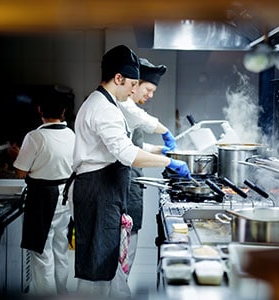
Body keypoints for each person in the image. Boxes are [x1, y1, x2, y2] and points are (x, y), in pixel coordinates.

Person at [70, 44, 190, 299]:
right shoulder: (104, 108)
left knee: (102, 265)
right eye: (133, 84)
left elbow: (122, 148)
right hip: (97, 192)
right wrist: (170, 164)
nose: (135, 90)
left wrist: (160, 154)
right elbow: (128, 154)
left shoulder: (103, 103)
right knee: (98, 267)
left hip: (100, 191)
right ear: (118, 78)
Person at [13, 90, 75, 296]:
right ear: (64, 111)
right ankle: (62, 292)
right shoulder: (71, 135)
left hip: (41, 198)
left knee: (42, 251)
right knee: (60, 249)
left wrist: (19, 156)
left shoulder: (35, 136)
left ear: (40, 110)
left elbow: (21, 172)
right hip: (66, 196)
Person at [118, 57, 176, 274]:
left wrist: (162, 150)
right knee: (124, 250)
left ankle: (120, 287)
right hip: (123, 185)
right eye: (148, 89)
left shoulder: (129, 107)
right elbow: (143, 121)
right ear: (134, 84)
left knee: (127, 247)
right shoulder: (125, 107)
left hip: (131, 183)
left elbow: (137, 144)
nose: (150, 95)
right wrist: (165, 136)